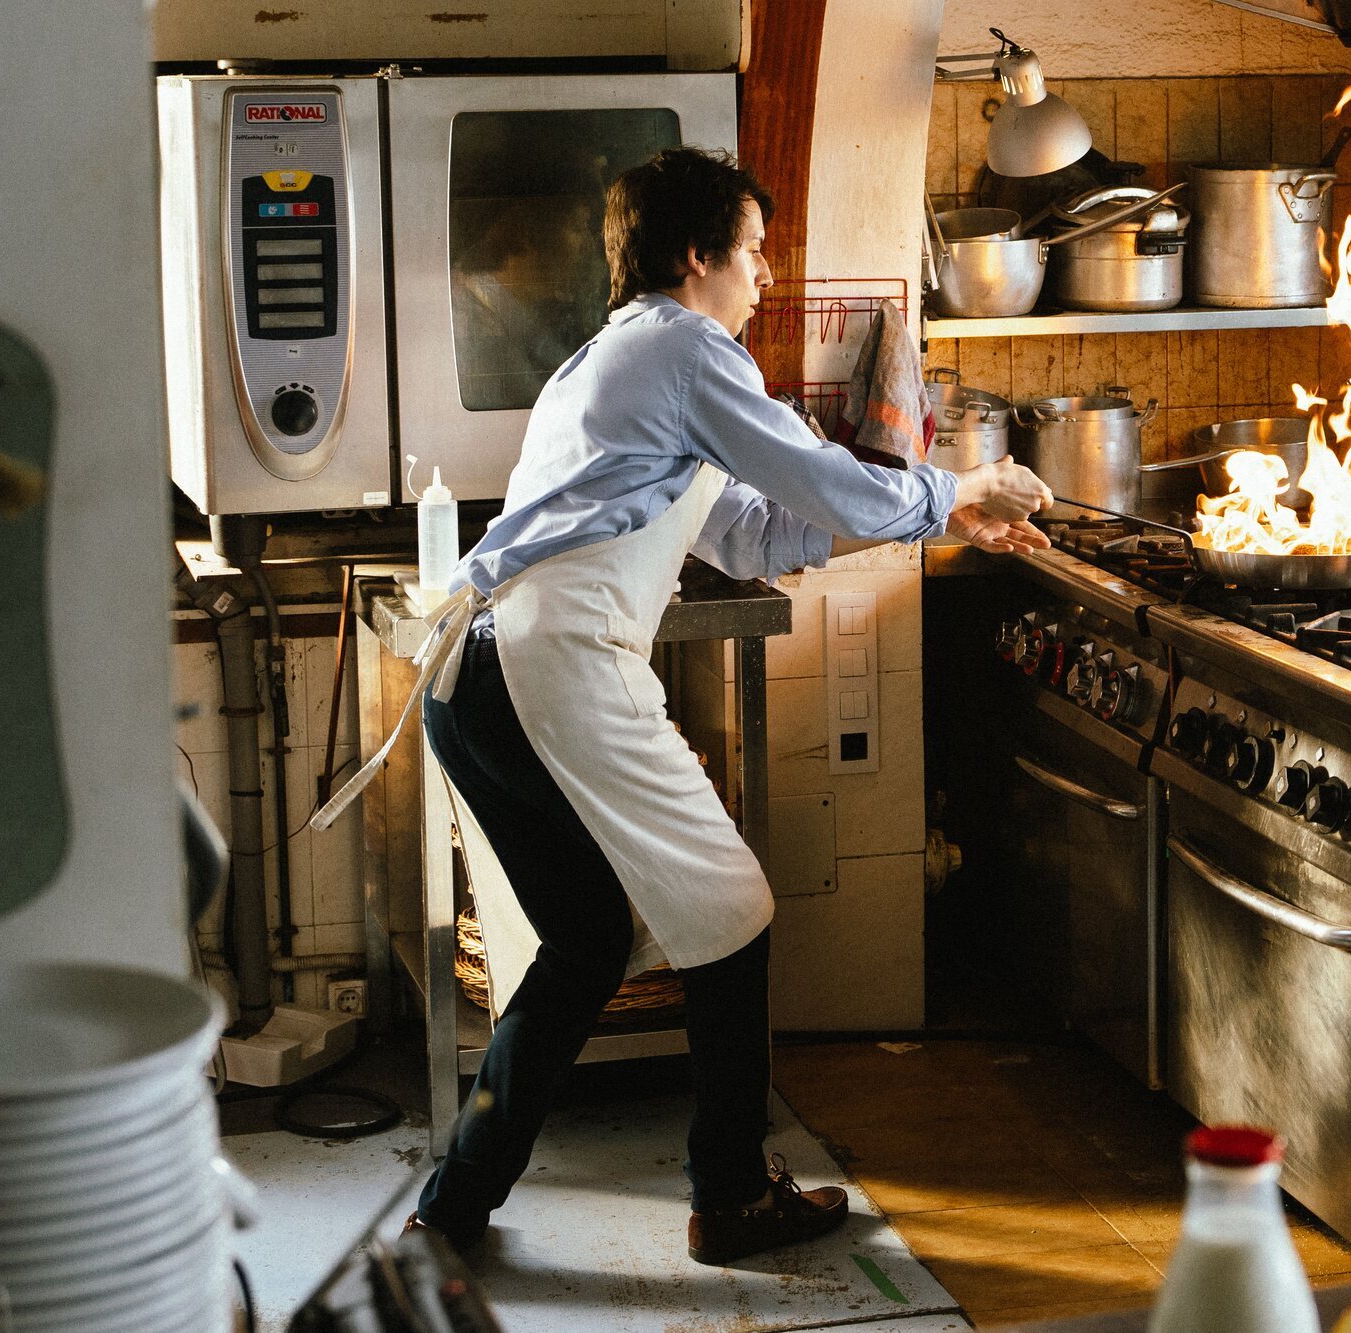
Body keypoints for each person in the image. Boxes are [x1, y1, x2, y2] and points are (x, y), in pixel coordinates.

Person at [398, 147, 1053, 1266]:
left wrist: (938, 521)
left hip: (483, 681)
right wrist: (959, 489)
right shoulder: (685, 350)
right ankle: (731, 1193)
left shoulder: (614, 365)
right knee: (733, 912)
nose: (761, 274)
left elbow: (755, 529)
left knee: (588, 938)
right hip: (556, 667)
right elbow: (828, 483)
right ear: (694, 256)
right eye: (750, 250)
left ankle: (459, 1197)